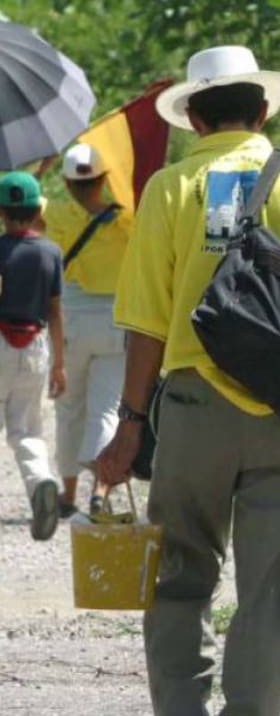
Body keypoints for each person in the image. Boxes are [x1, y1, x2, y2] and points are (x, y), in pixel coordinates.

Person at [95, 45, 280, 716]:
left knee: (180, 575)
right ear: (263, 109)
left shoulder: (168, 189)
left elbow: (145, 327)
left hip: (194, 411)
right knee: (269, 585)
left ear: (192, 118)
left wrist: (130, 427)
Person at [43, 143, 132, 518]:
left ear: (65, 181)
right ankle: (101, 488)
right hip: (115, 318)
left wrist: (43, 164)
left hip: (71, 318)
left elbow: (17, 202)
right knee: (106, 408)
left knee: (69, 409)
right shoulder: (127, 219)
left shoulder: (54, 214)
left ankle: (67, 494)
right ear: (103, 179)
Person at [0, 170, 66, 540]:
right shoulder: (50, 252)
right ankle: (41, 479)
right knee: (26, 429)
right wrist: (59, 363)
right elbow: (56, 310)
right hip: (36, 345)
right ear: (36, 208)